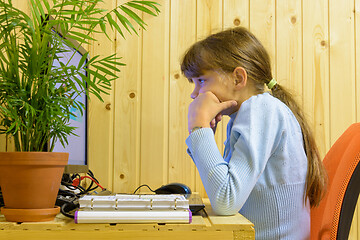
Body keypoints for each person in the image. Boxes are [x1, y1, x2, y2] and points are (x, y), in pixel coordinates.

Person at [181, 27, 327, 240]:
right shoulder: (251, 114)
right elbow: (227, 192)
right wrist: (205, 136)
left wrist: (199, 128)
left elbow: (225, 200)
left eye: (201, 81)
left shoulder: (260, 109)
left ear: (238, 78)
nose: (194, 94)